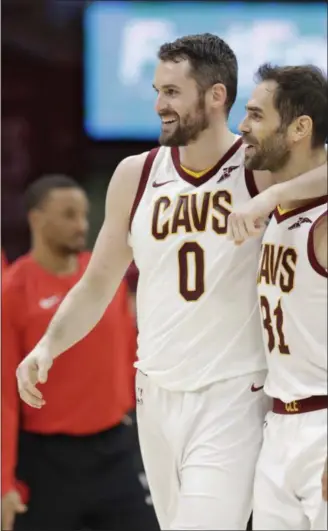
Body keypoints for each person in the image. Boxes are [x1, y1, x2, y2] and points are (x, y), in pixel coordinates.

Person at [16, 35, 327, 531]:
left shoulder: (258, 170)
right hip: (155, 393)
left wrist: (274, 198)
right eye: (158, 90)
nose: (160, 104)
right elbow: (98, 282)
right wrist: (49, 346)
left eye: (173, 92)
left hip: (233, 394)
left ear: (215, 96)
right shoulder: (134, 174)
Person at [2, 175, 158, 531]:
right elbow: (4, 397)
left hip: (116, 451)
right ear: (36, 219)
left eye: (84, 214)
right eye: (69, 215)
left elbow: (133, 357)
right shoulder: (12, 290)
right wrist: (3, 483)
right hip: (47, 463)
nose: (82, 225)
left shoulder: (103, 277)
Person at [238, 64, 327, 530]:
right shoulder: (280, 207)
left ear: (299, 127)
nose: (242, 126)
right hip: (279, 426)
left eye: (255, 114)